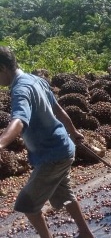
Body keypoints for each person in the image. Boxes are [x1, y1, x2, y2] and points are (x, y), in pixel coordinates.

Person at [0, 46, 95, 238]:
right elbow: (59, 110)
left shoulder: (20, 89)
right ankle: (86, 234)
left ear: (2, 68)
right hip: (63, 148)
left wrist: (1, 143)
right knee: (64, 194)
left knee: (27, 203)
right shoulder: (36, 80)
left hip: (52, 156)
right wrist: (74, 132)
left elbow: (19, 121)